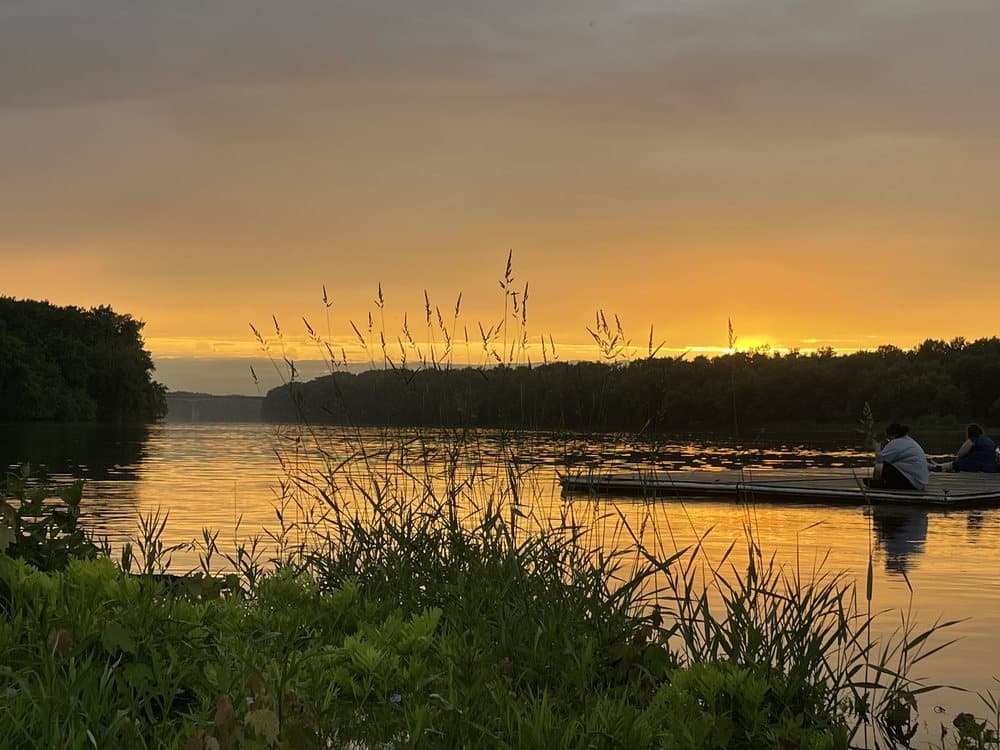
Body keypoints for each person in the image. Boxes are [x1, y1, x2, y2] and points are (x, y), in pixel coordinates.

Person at [865, 423, 929, 490]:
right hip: (919, 483)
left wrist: (877, 447)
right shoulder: (909, 441)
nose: (888, 439)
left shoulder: (896, 442)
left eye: (888, 437)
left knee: (879, 466)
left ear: (892, 435)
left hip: (912, 483)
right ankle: (883, 483)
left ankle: (877, 484)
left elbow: (879, 459)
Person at [929, 423, 998, 473]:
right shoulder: (988, 440)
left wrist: (957, 461)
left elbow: (960, 454)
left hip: (977, 465)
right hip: (991, 466)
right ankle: (942, 466)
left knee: (960, 461)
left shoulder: (972, 440)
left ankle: (939, 467)